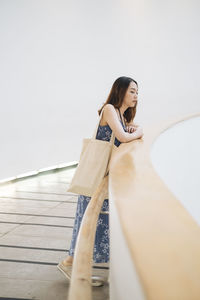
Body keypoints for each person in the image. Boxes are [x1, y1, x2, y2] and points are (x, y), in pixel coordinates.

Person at [57, 76, 143, 285]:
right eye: (132, 91)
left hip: (103, 179)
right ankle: (72, 266)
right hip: (96, 178)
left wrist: (132, 127)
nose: (136, 96)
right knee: (89, 224)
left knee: (94, 224)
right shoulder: (109, 109)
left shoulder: (122, 117)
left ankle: (73, 266)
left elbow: (124, 132)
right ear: (120, 91)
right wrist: (138, 131)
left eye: (137, 92)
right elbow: (122, 138)